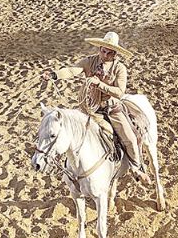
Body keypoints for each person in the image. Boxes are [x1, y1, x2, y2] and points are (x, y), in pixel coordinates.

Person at [42, 32, 150, 183]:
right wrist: (55, 75)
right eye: (103, 50)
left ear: (115, 54)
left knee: (130, 139)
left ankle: (136, 168)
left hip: (111, 109)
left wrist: (100, 84)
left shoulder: (120, 69)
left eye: (109, 52)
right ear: (100, 48)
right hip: (89, 108)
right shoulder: (89, 62)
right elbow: (73, 70)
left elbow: (119, 92)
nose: (105, 54)